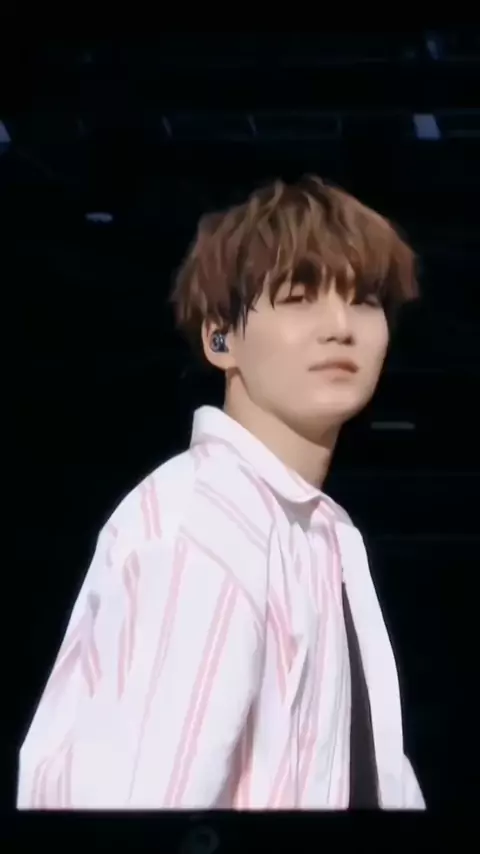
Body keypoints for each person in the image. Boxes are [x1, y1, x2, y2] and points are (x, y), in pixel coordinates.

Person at [17, 175, 425, 810]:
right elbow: (142, 807)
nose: (340, 326)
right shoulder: (205, 519)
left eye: (365, 300)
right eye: (299, 297)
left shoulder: (322, 535)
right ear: (220, 338)